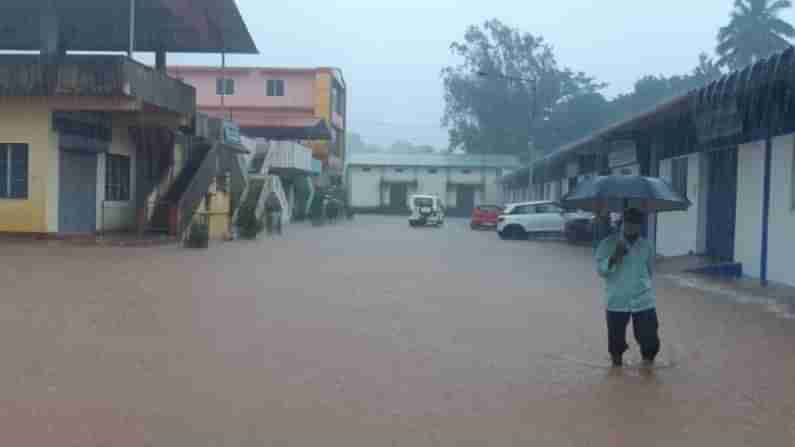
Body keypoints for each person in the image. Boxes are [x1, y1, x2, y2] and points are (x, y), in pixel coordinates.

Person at [595, 208, 659, 368]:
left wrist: (641, 286)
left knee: (649, 340)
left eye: (636, 223)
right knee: (616, 345)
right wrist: (615, 256)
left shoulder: (647, 246)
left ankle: (648, 372)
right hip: (617, 300)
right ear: (622, 223)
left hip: (643, 300)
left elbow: (650, 271)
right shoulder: (608, 243)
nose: (632, 226)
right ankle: (616, 372)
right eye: (629, 222)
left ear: (640, 225)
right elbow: (601, 271)